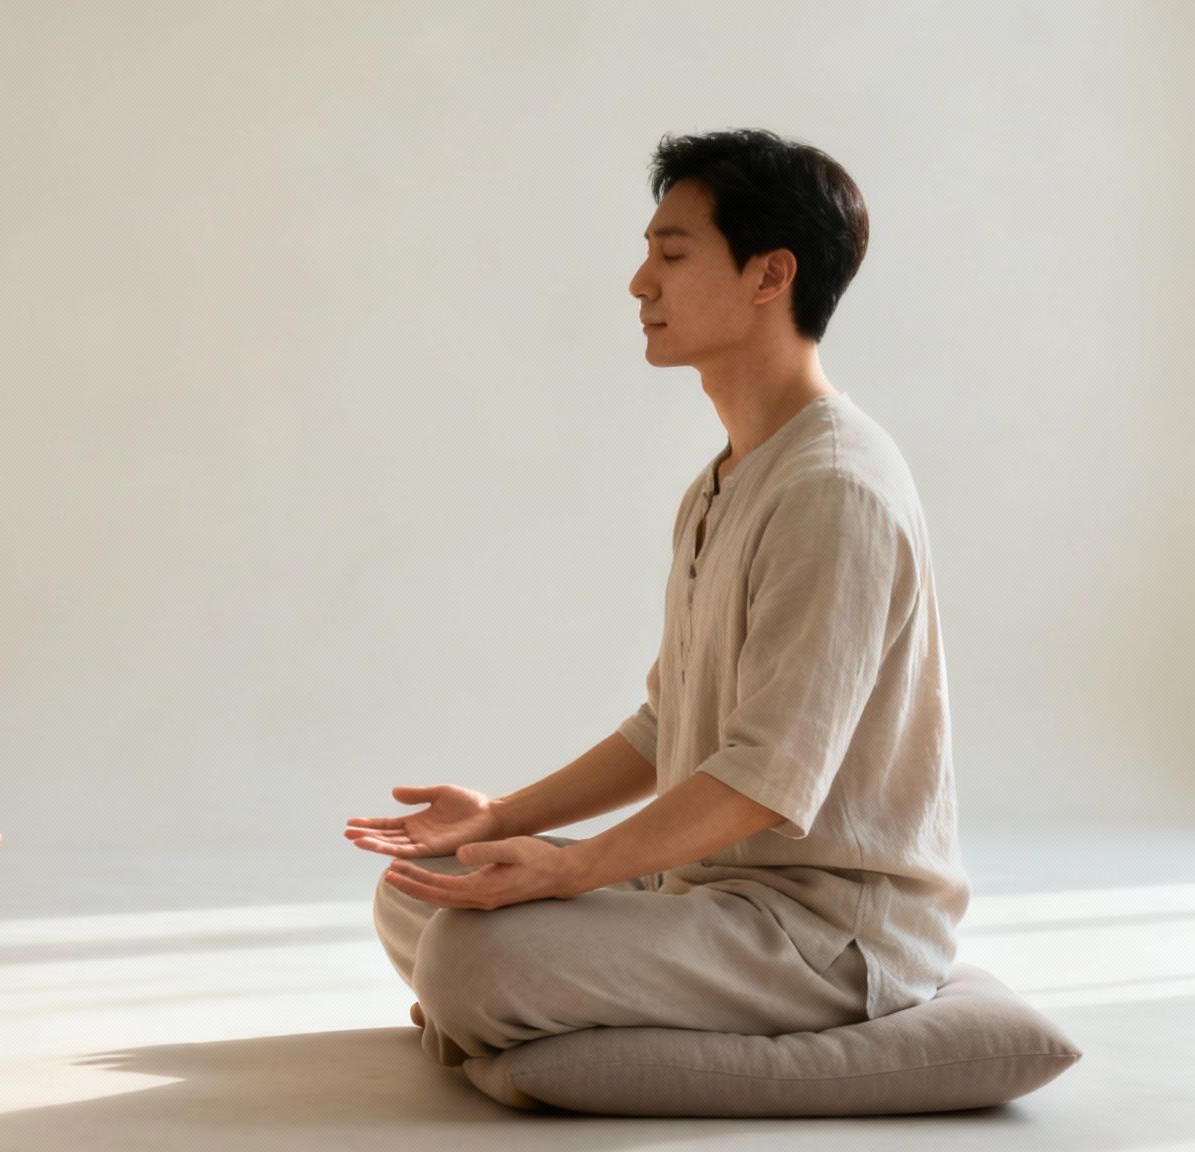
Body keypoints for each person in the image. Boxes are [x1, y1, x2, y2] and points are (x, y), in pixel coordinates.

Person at [346, 130, 969, 1071]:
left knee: (474, 956)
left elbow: (767, 774)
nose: (640, 284)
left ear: (771, 275)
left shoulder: (834, 487)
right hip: (703, 898)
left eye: (672, 255)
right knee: (420, 887)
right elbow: (668, 723)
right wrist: (500, 820)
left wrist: (577, 867)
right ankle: (532, 1003)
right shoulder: (727, 478)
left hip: (824, 935)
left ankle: (505, 1006)